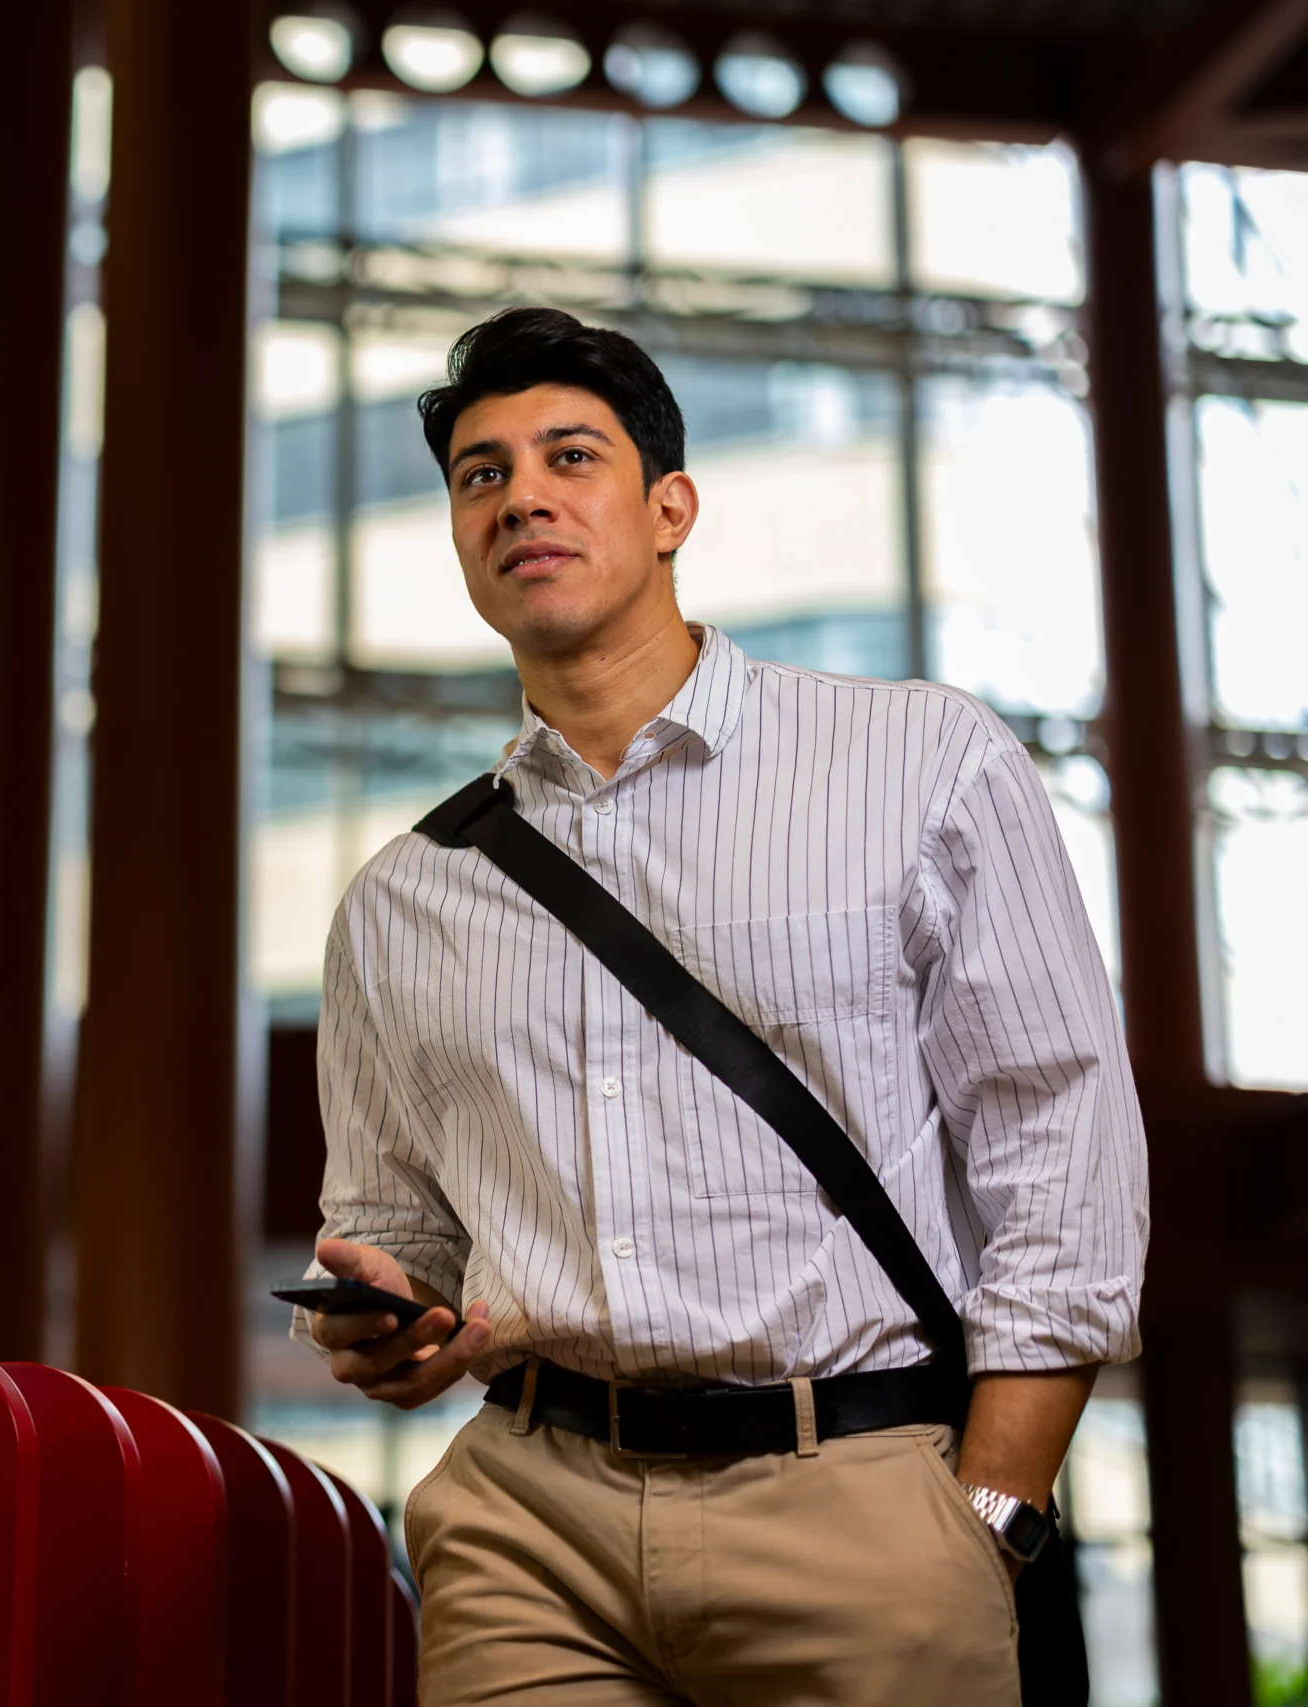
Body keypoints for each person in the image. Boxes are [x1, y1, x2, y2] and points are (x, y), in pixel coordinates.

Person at [298, 307, 1146, 1706]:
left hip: (863, 1501)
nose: (523, 496)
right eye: (482, 475)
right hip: (529, 1528)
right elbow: (399, 1236)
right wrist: (384, 1318)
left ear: (672, 506)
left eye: (571, 456)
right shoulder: (401, 900)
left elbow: (1062, 1145)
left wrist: (991, 1510)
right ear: (461, 540)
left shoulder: (921, 765)